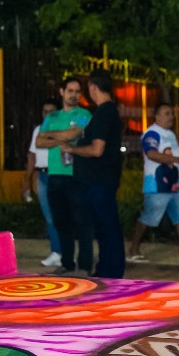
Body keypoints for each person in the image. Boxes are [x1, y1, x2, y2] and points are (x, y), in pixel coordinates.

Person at [60, 70, 125, 279]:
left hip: (99, 181)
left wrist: (72, 150)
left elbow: (97, 149)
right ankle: (107, 268)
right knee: (105, 227)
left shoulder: (104, 112)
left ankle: (111, 271)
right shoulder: (108, 111)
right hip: (101, 180)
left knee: (107, 227)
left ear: (93, 87)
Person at [125, 103, 179, 264]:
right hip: (157, 184)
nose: (170, 117)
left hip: (175, 184)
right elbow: (152, 154)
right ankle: (133, 249)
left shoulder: (170, 134)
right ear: (157, 116)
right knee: (149, 217)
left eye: (171, 114)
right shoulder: (152, 134)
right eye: (166, 114)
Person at [35, 78, 94, 274]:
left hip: (76, 176)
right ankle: (67, 263)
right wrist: (64, 134)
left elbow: (74, 134)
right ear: (62, 91)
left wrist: (53, 135)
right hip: (54, 176)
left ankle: (85, 264)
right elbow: (39, 142)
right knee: (61, 222)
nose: (74, 95)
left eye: (78, 91)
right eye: (70, 91)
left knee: (82, 222)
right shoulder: (51, 116)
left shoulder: (84, 114)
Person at [26, 100, 62, 267]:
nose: (47, 115)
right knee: (49, 216)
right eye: (44, 111)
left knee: (60, 215)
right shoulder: (38, 131)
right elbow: (32, 156)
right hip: (42, 175)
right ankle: (56, 251)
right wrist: (27, 181)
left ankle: (62, 251)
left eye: (51, 112)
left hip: (58, 175)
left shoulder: (64, 131)